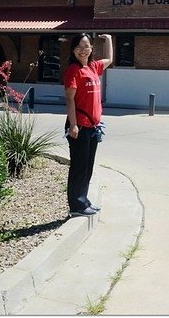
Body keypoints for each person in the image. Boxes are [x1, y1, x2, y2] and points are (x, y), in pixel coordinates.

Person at [63, 33, 113, 217]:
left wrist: (108, 40)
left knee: (88, 166)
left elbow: (109, 59)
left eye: (87, 46)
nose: (83, 50)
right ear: (73, 49)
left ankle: (83, 200)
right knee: (79, 166)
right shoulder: (73, 70)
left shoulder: (92, 67)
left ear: (91, 48)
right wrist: (73, 125)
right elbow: (70, 99)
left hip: (93, 127)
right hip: (80, 126)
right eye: (79, 46)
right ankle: (76, 206)